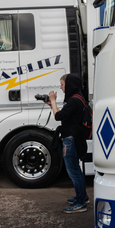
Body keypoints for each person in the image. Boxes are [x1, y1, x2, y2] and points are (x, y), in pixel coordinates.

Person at [44, 73, 89, 213]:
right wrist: (52, 104)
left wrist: (53, 101)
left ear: (69, 84)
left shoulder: (73, 101)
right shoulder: (78, 98)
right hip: (75, 138)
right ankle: (82, 197)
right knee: (76, 170)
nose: (61, 87)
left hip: (70, 140)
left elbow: (58, 116)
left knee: (74, 172)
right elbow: (65, 115)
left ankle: (81, 203)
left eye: (62, 84)